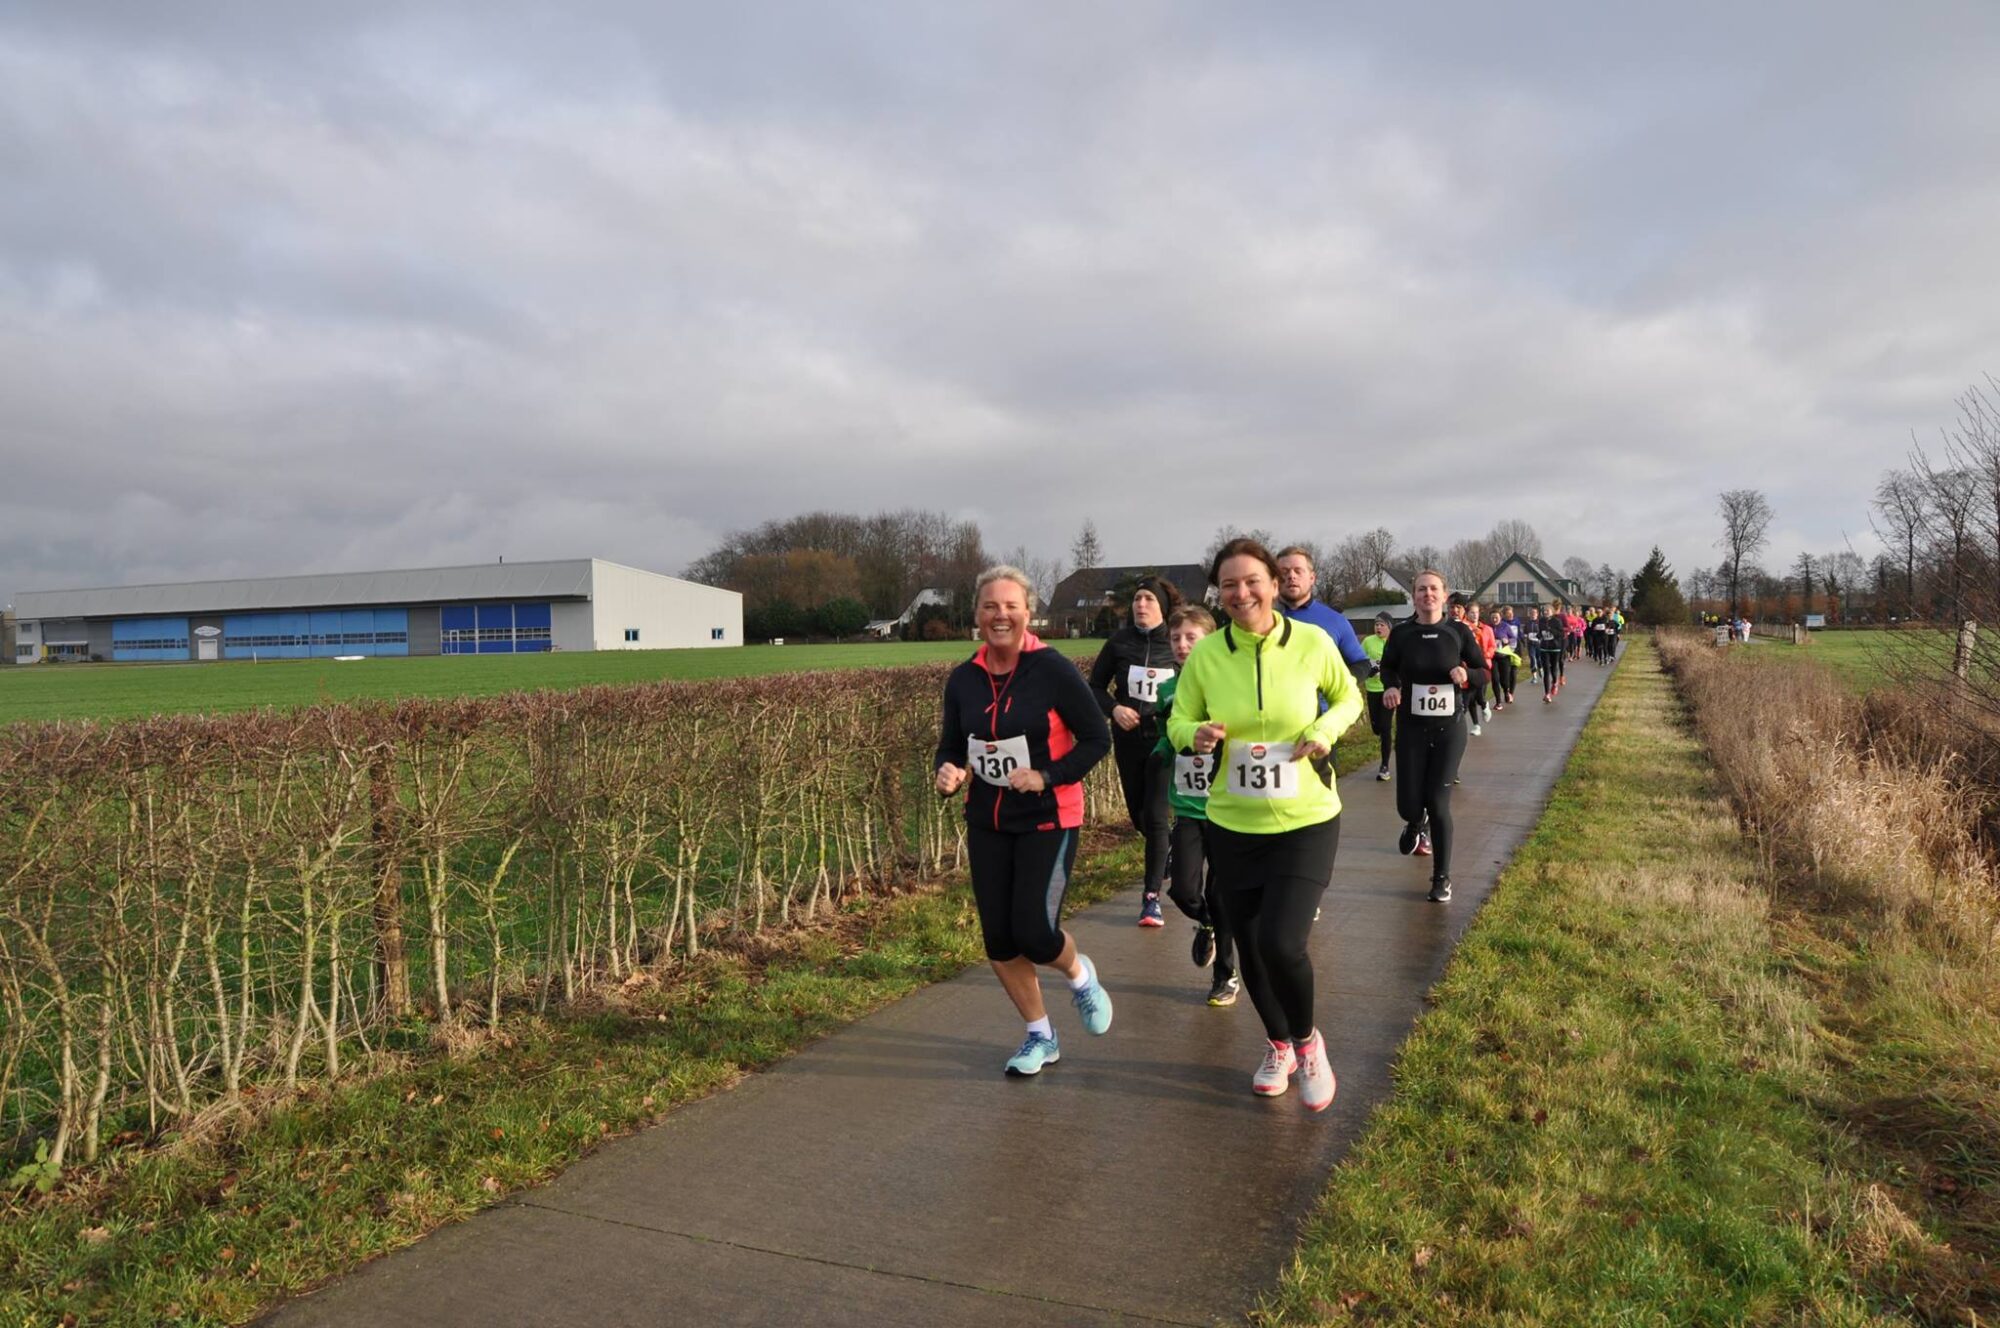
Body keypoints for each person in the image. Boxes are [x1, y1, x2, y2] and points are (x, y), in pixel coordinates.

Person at [1166, 539, 1363, 1111]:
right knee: (1250, 946)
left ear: (1275, 584)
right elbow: (1180, 716)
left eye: (1252, 581)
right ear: (1218, 594)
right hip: (1234, 824)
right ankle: (1277, 1044)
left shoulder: (1311, 642)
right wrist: (1193, 735)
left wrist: (1324, 733)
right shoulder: (1206, 657)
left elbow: (1348, 698)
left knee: (1282, 941)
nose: (1241, 592)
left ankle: (1308, 1043)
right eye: (1228, 584)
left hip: (1306, 817)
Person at [935, 566, 1115, 1076]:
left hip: (1048, 817)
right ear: (976, 615)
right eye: (990, 606)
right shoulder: (964, 678)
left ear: (1028, 613)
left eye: (1011, 605)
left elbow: (1097, 739)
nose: (1000, 615)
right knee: (999, 940)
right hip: (987, 820)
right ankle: (1040, 1036)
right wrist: (946, 773)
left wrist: (1047, 776)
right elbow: (951, 745)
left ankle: (1081, 977)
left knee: (1035, 933)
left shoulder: (1052, 670)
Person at [1381, 571, 1488, 904]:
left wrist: (1466, 674)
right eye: (1421, 589)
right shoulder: (1402, 634)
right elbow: (1388, 668)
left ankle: (1441, 878)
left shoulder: (1457, 631)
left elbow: (1485, 671)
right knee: (1408, 804)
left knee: (1439, 803)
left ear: (1444, 596)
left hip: (1449, 729)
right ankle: (1414, 823)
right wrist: (1392, 687)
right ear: (1414, 596)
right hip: (1412, 727)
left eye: (1434, 589)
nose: (1428, 594)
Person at [1153, 605, 1240, 1006]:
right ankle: (1206, 923)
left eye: (1192, 638)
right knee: (1185, 890)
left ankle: (1226, 975)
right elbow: (1167, 733)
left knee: (1222, 895)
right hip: (1187, 806)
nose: (1183, 646)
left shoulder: (1228, 684)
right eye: (1176, 638)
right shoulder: (1168, 690)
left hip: (1227, 809)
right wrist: (1159, 748)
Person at [1088, 577, 1182, 927]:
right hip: (1127, 738)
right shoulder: (1119, 642)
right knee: (1139, 815)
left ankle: (1150, 899)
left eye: (1148, 600)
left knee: (1156, 817)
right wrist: (1113, 708)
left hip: (1163, 740)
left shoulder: (1174, 643)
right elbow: (1095, 686)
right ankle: (1169, 848)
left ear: (1162, 607)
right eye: (1137, 599)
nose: (1141, 605)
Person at [1274, 547, 1372, 682]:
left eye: (1298, 571)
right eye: (1284, 572)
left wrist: (1338, 684)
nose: (1291, 576)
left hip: (1323, 703)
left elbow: (1362, 663)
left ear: (1312, 578)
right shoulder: (1259, 620)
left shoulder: (1335, 621)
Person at [1362, 612, 1394, 780]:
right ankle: (1380, 732)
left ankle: (1384, 766)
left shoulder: (1394, 642)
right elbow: (1360, 660)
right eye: (1376, 624)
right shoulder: (1368, 641)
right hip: (1372, 689)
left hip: (1388, 690)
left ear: (1389, 627)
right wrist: (1368, 671)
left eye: (1382, 625)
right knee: (1376, 728)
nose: (1378, 627)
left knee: (1386, 728)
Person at [1489, 605, 1521, 708]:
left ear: (1500, 617)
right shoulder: (1487, 628)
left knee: (1504, 679)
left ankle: (1507, 691)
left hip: (1504, 656)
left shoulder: (1505, 626)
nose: (1494, 619)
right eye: (1492, 618)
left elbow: (1513, 639)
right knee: (1495, 679)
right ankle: (1498, 702)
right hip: (1493, 657)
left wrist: (1507, 641)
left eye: (1496, 617)